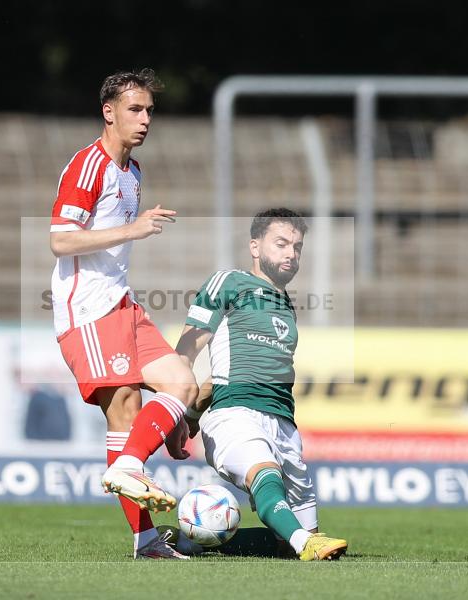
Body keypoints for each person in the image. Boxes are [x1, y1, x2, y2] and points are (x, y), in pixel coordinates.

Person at [49, 68, 198, 559]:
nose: (145, 119)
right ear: (108, 112)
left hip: (122, 302)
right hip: (89, 310)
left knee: (182, 384)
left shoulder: (132, 173)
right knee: (125, 410)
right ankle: (148, 541)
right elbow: (60, 239)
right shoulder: (87, 166)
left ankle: (129, 467)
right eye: (135, 109)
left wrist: (171, 417)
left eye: (150, 110)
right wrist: (133, 230)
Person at [171, 208, 348, 561]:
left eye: (297, 247)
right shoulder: (229, 282)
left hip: (284, 423)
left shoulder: (285, 305)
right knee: (263, 474)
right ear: (255, 246)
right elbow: (186, 351)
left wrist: (192, 411)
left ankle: (192, 540)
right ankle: (304, 542)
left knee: (288, 542)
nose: (290, 253)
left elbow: (220, 371)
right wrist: (179, 411)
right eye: (281, 243)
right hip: (235, 414)